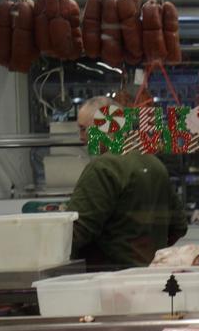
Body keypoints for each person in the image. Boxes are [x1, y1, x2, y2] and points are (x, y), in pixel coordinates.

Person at [70, 96, 188, 267]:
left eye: (83, 129)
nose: (81, 137)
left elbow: (76, 232)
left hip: (112, 280)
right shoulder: (154, 163)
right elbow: (179, 226)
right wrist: (149, 254)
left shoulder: (103, 167)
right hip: (152, 276)